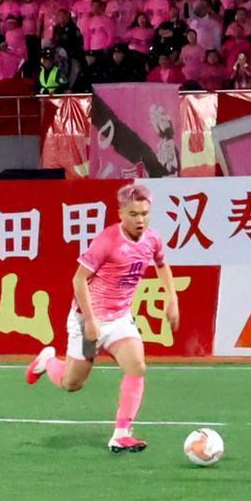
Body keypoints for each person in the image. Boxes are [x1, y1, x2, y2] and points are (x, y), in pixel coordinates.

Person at [26, 182, 179, 453]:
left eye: (144, 214)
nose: (140, 220)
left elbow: (162, 265)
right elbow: (78, 280)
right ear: (121, 213)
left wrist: (172, 299)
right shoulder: (106, 241)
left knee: (137, 366)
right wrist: (90, 321)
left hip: (119, 319)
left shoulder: (152, 239)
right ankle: (47, 361)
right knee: (72, 384)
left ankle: (121, 434)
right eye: (133, 214)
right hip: (88, 320)